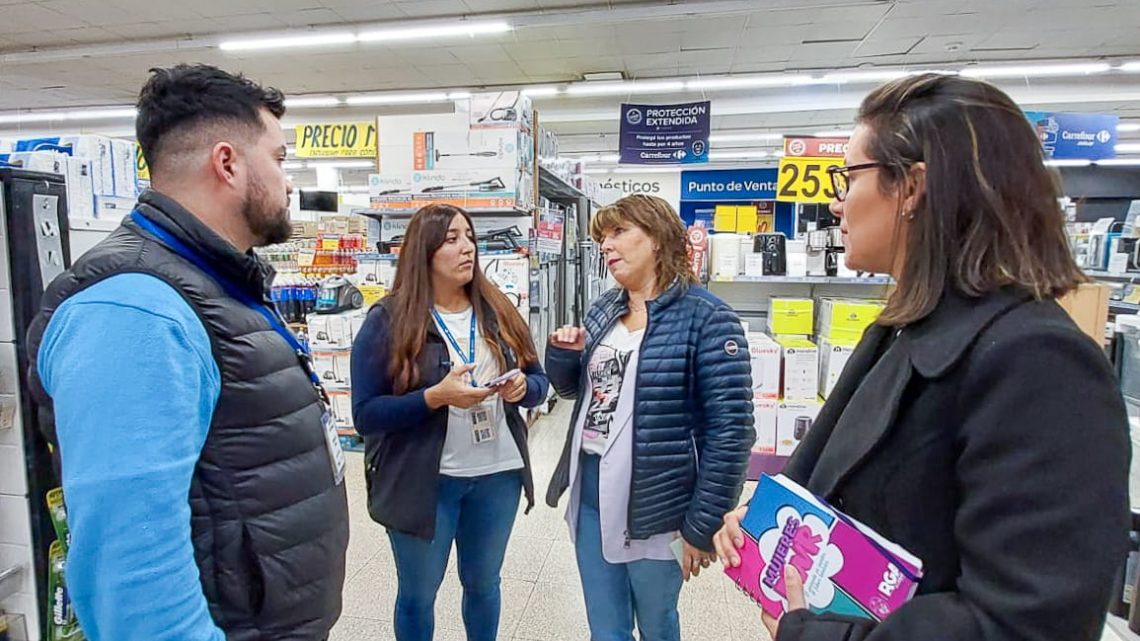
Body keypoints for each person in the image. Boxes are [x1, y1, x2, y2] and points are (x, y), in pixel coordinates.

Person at [713, 73, 1130, 641]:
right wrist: (763, 523)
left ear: (911, 188)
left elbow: (1026, 622)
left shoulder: (1038, 363)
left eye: (848, 177)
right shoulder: (900, 330)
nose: (836, 203)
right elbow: (826, 483)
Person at [25, 65, 349, 641]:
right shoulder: (134, 310)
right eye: (279, 158)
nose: (289, 181)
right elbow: (130, 573)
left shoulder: (214, 283)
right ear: (227, 163)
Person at [545, 194, 755, 641]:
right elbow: (577, 394)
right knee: (605, 626)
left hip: (659, 509)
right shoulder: (605, 309)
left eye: (619, 232)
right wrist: (562, 358)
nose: (606, 245)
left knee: (657, 625)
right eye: (603, 236)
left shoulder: (709, 319)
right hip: (591, 496)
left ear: (658, 239)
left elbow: (731, 433)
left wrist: (703, 525)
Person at [350, 203, 549, 641]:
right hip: (423, 483)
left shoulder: (497, 309)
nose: (468, 249)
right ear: (424, 252)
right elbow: (365, 415)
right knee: (419, 595)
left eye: (470, 237)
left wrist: (524, 390)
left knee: (484, 584)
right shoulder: (388, 321)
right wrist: (433, 398)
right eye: (452, 239)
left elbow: (539, 379)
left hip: (497, 477)